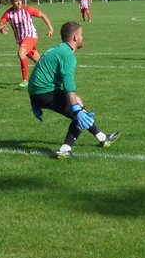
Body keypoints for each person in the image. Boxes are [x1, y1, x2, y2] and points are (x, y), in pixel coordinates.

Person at [27, 21, 119, 159]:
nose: (83, 37)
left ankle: (102, 138)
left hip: (37, 93)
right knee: (79, 114)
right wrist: (76, 110)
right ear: (75, 38)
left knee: (78, 103)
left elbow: (37, 74)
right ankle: (65, 149)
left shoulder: (57, 49)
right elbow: (69, 84)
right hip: (44, 93)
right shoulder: (68, 55)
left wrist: (33, 101)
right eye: (81, 35)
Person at [0, 0, 54, 87]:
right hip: (21, 40)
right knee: (39, 61)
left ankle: (26, 80)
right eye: (16, 1)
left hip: (31, 36)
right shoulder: (8, 14)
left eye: (20, 0)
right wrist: (0, 29)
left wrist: (51, 29)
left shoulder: (27, 10)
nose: (19, 2)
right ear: (12, 2)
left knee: (21, 53)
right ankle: (53, 78)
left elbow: (43, 15)